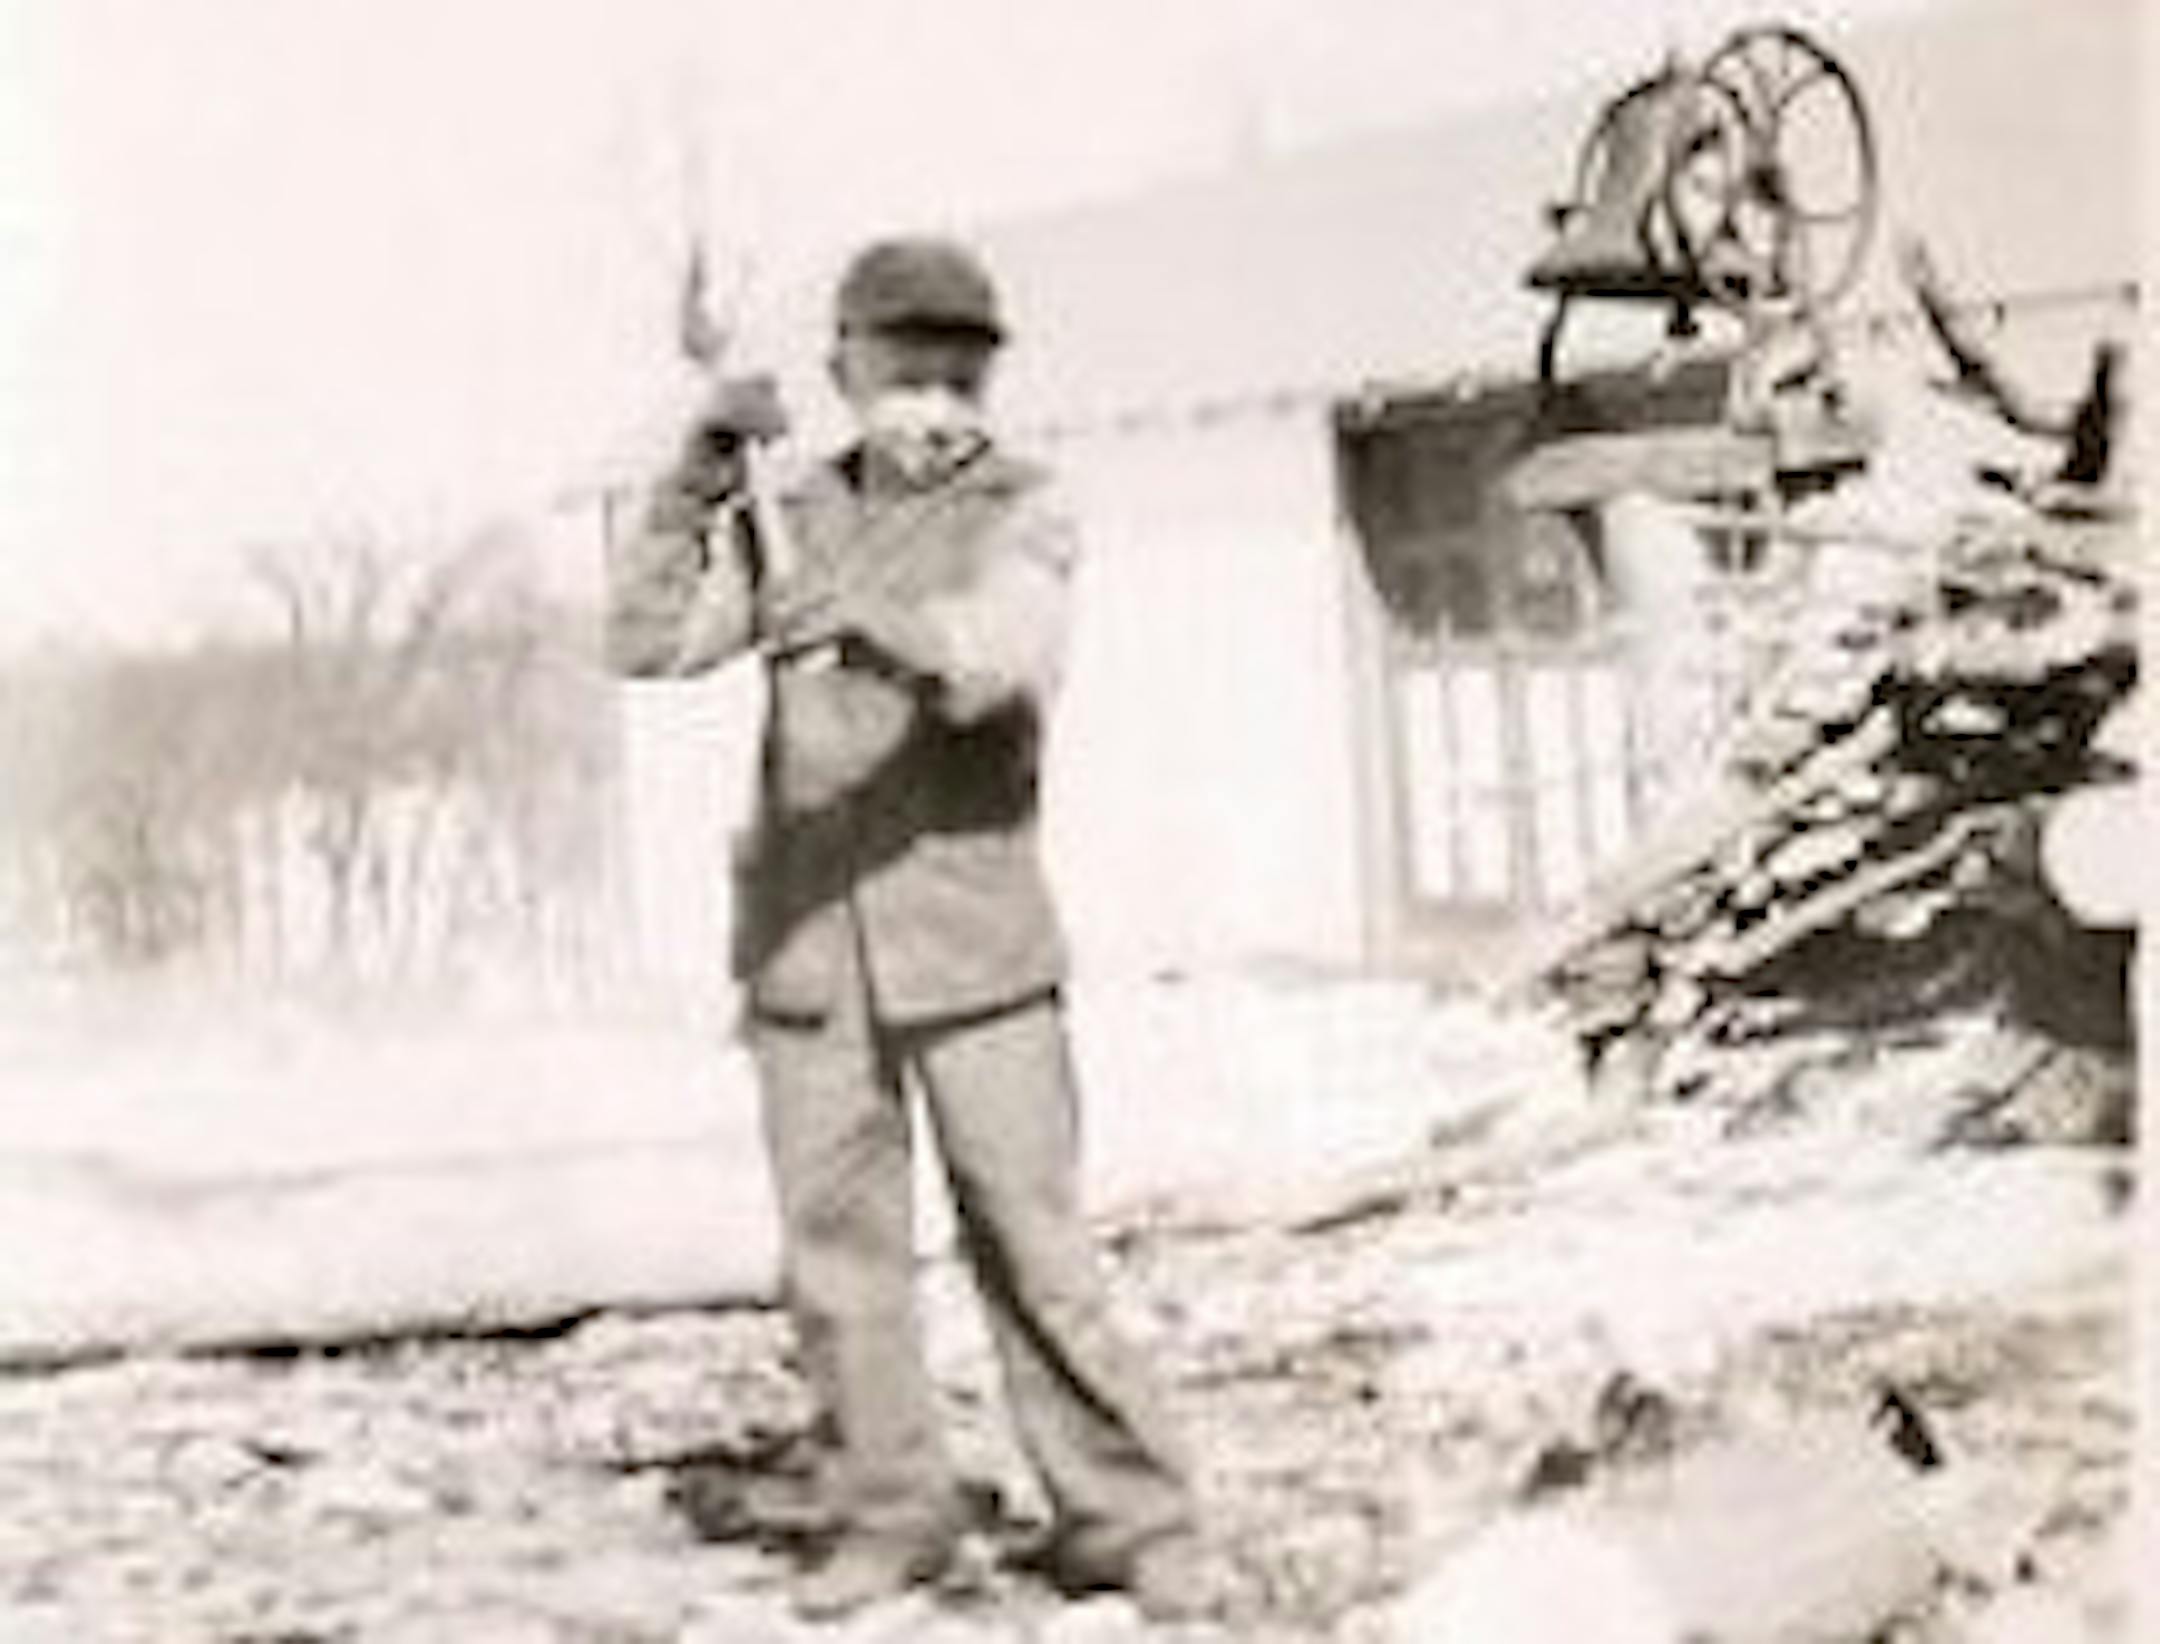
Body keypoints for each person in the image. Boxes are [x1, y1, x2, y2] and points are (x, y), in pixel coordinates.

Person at [606, 236, 1204, 1621]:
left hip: (980, 957)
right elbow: (643, 641)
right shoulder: (783, 512)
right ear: (842, 377)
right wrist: (698, 472)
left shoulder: (1028, 509)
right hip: (808, 957)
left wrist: (869, 617)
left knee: (1036, 1251)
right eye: (903, 380)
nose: (936, 407)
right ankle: (892, 1517)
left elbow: (1004, 655)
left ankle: (1133, 1521)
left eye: (960, 379)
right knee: (837, 1266)